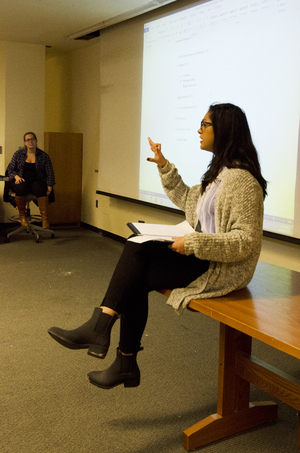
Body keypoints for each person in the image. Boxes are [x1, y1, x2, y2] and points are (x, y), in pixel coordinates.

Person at [48, 103, 267, 390]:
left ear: (224, 130)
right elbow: (190, 203)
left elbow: (246, 242)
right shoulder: (220, 174)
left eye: (205, 124)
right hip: (202, 255)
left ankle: (107, 336)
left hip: (220, 267)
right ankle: (117, 352)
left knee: (135, 272)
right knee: (137, 250)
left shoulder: (244, 181)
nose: (198, 130)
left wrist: (192, 242)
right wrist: (165, 167)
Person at [7, 132, 55, 229]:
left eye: (32, 139)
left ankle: (44, 218)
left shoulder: (44, 156)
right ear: (24, 143)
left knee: (39, 187)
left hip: (37, 180)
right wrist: (16, 177)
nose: (30, 141)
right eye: (28, 140)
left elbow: (50, 173)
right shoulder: (18, 154)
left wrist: (49, 187)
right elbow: (10, 169)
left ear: (36, 141)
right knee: (20, 186)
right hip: (21, 179)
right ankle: (22, 215)